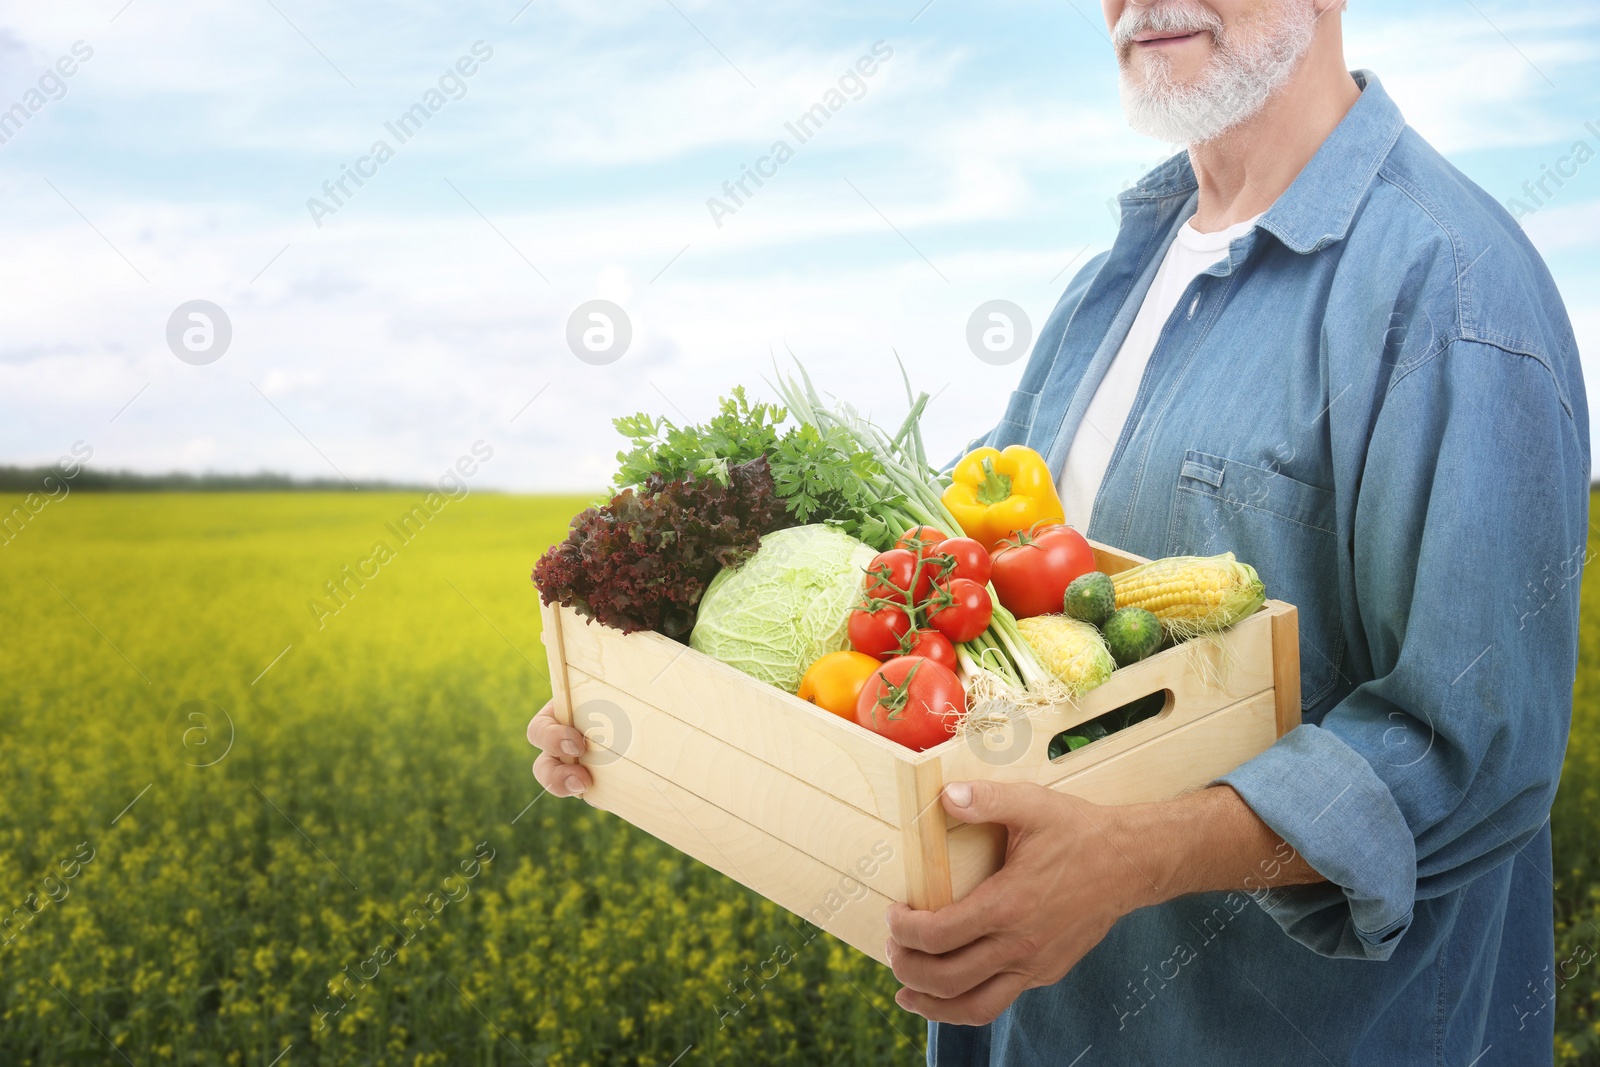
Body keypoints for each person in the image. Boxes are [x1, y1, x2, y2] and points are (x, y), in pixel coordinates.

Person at [530, 0, 1589, 1062]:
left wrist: (1135, 856)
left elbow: (1472, 745)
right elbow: (953, 597)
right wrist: (664, 716)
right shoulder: (1114, 281)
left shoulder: (1452, 292)